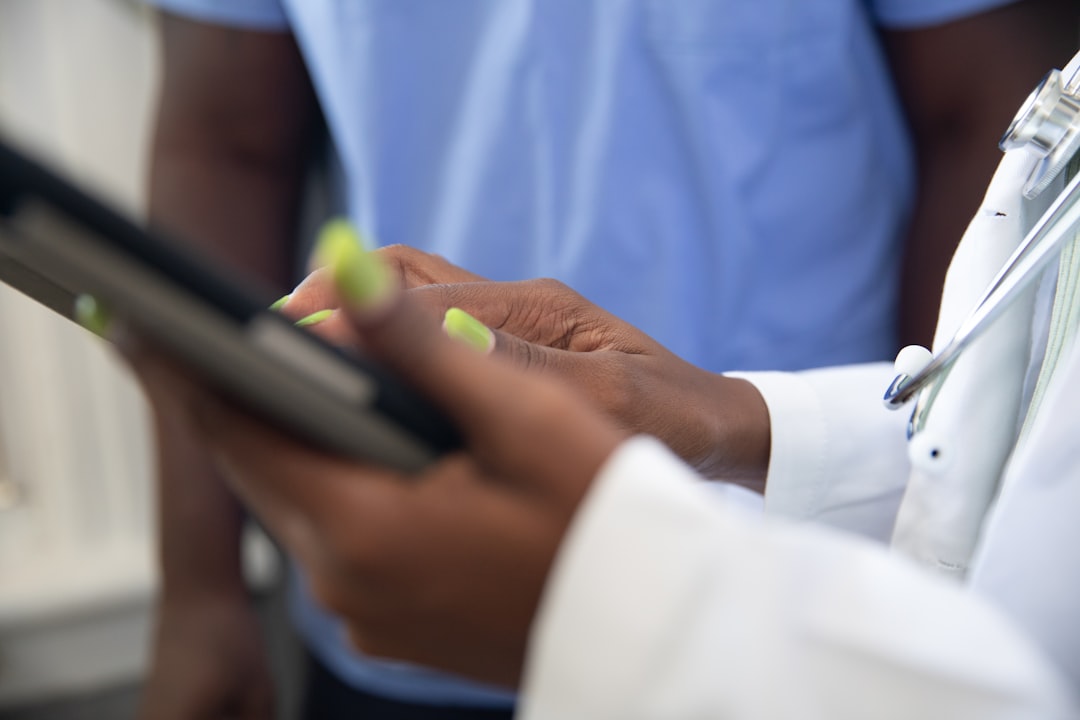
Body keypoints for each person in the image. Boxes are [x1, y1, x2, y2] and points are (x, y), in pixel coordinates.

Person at [138, 0, 1076, 717]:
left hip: (786, 602)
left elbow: (980, 110)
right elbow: (223, 140)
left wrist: (608, 591)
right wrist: (198, 589)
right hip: (401, 579)